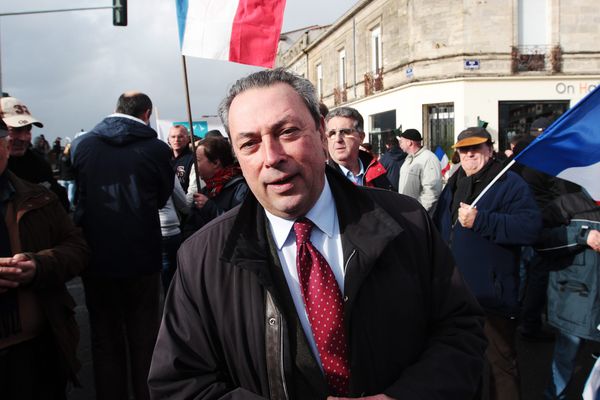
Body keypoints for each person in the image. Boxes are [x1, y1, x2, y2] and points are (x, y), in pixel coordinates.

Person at [149, 68, 486, 399]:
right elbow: (181, 384)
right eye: (250, 143)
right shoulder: (202, 258)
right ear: (236, 156)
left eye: (288, 132)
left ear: (321, 131)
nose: (272, 157)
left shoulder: (407, 221)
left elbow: (461, 332)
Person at [71, 91, 173, 400]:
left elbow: (79, 197)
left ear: (115, 109)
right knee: (144, 338)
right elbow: (162, 195)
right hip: (142, 253)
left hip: (97, 255)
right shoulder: (157, 148)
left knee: (105, 339)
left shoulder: (82, 145)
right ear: (146, 114)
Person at [433, 126, 542, 400]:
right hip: (455, 297)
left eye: (476, 148)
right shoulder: (456, 181)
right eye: (464, 150)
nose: (470, 154)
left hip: (492, 299)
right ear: (457, 154)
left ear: (489, 149)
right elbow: (438, 225)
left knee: (499, 369)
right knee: (463, 365)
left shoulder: (509, 182)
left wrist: (482, 220)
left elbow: (530, 228)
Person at [0, 121, 89, 399]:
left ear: (4, 147)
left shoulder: (38, 196)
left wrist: (39, 265)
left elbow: (77, 247)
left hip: (39, 353)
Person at [535, 186, 600, 399]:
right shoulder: (566, 205)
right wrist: (582, 236)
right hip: (574, 299)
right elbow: (540, 241)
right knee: (565, 361)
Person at [0, 97, 69, 211]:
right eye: (15, 130)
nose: (23, 138)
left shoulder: (38, 165)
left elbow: (60, 205)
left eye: (28, 130)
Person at [182, 136, 248, 239]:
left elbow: (241, 226)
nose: (195, 166)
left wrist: (210, 207)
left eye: (198, 160)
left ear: (216, 163)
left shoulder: (240, 189)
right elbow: (190, 227)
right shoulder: (204, 191)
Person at [325, 107, 393, 190]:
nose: (338, 139)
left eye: (345, 132)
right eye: (332, 133)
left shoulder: (377, 171)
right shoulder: (320, 179)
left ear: (361, 137)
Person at [397, 128, 442, 213]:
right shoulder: (408, 159)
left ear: (409, 143)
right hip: (407, 211)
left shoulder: (429, 158)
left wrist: (419, 211)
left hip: (419, 214)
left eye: (401, 141)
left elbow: (432, 190)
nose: (400, 144)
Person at [168, 125, 195, 193]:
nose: (176, 140)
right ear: (169, 139)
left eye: (180, 136)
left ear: (188, 139)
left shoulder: (193, 159)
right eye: (173, 137)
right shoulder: (164, 158)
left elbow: (193, 190)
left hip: (185, 201)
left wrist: (185, 203)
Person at [57, 143, 76, 210]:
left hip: (62, 178)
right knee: (70, 194)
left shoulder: (60, 156)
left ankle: (64, 206)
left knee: (63, 194)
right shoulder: (72, 157)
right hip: (70, 178)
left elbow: (59, 167)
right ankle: (70, 206)